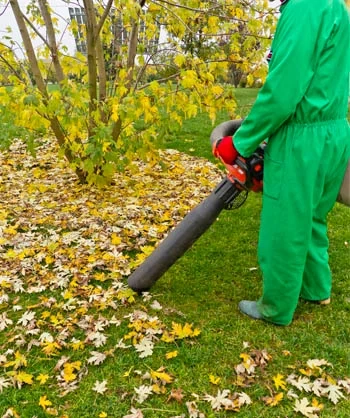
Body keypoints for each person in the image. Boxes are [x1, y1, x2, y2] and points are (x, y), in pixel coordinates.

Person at [213, 0, 350, 326]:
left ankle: (275, 307)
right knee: (312, 215)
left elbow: (282, 93)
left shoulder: (303, 7)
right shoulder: (335, 7)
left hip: (301, 140)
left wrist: (240, 143)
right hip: (333, 130)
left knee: (285, 225)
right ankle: (317, 289)